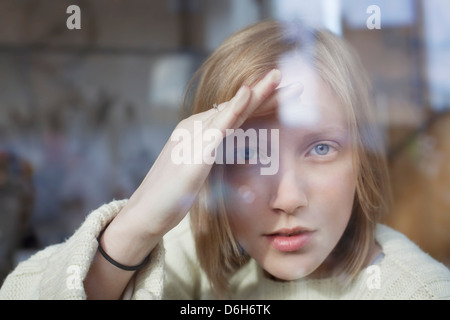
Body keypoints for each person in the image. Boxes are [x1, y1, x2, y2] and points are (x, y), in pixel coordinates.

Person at [1, 20, 449, 300]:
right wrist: (137, 223)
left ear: (361, 163)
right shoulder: (198, 256)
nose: (287, 198)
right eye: (250, 153)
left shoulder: (419, 292)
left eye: (320, 148)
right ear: (209, 169)